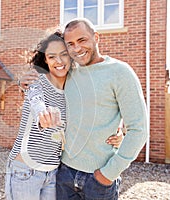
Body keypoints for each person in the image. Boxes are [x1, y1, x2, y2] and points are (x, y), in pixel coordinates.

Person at [19, 18, 148, 199]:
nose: (77, 49)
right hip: (64, 174)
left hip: (99, 179)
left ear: (96, 37)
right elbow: (42, 86)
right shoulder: (69, 71)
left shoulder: (120, 72)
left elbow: (139, 130)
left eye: (82, 40)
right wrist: (23, 83)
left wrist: (107, 174)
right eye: (70, 44)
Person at [6, 29, 124, 200]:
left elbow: (100, 109)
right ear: (45, 60)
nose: (58, 61)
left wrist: (117, 131)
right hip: (26, 170)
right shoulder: (36, 81)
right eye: (52, 56)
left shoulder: (75, 89)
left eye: (63, 54)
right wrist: (43, 115)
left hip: (54, 171)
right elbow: (36, 99)